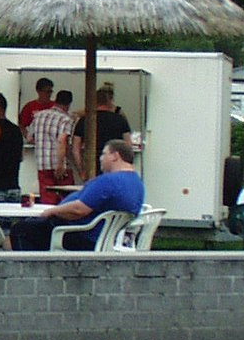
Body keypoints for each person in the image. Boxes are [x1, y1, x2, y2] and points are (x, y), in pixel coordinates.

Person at [11, 138, 145, 251]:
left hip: (83, 236)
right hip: (107, 237)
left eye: (104, 154)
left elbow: (78, 209)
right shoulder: (137, 183)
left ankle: (31, 275)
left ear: (115, 156)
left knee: (22, 229)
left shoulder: (109, 181)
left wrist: (53, 210)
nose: (100, 158)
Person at [70, 86, 132, 177]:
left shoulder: (84, 120)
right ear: (109, 101)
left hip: (91, 165)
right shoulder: (120, 119)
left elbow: (75, 149)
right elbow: (128, 145)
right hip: (115, 164)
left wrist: (81, 170)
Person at [26, 89, 75, 204]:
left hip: (42, 164)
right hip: (60, 165)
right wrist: (60, 164)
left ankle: (48, 221)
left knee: (47, 199)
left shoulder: (39, 116)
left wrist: (42, 142)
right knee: (66, 199)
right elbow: (62, 141)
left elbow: (29, 138)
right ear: (68, 104)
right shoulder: (66, 119)